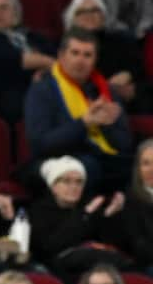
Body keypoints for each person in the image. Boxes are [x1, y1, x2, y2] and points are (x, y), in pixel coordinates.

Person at [25, 27, 134, 194]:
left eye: (87, 55)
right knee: (88, 167)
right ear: (61, 56)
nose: (80, 60)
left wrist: (107, 124)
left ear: (95, 60)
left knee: (140, 164)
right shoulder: (43, 89)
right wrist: (84, 123)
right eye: (75, 53)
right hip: (58, 159)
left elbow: (124, 144)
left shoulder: (105, 90)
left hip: (103, 158)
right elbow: (41, 144)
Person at [28, 157, 127, 284]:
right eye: (67, 181)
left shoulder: (89, 204)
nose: (73, 187)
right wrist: (85, 215)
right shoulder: (39, 210)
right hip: (56, 267)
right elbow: (50, 246)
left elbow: (112, 241)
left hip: (93, 266)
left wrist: (109, 215)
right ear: (53, 187)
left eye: (79, 182)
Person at [60, 0, 147, 114]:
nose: (89, 15)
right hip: (86, 98)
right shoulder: (65, 46)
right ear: (71, 19)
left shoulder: (122, 40)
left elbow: (139, 70)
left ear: (103, 17)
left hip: (127, 99)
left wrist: (129, 75)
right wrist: (106, 87)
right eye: (82, 11)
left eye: (95, 10)